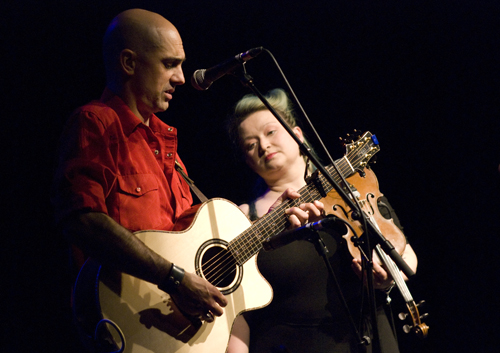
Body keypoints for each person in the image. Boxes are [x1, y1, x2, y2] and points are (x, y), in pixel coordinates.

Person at [51, 9, 323, 351]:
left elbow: (189, 247)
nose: (181, 77)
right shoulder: (96, 123)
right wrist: (174, 279)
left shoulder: (167, 149)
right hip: (123, 323)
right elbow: (81, 220)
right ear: (129, 62)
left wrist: (269, 225)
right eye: (169, 64)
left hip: (177, 334)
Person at [225, 88, 418, 353]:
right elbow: (236, 313)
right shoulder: (242, 218)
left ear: (298, 134)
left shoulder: (354, 186)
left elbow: (407, 256)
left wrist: (387, 279)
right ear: (245, 159)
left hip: (368, 340)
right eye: (250, 144)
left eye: (271, 132)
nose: (264, 145)